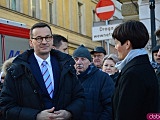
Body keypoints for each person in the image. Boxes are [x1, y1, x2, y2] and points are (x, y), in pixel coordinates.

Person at [0, 22, 84, 120]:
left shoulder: (66, 66)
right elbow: (6, 107)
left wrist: (69, 112)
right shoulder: (17, 69)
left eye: (47, 37)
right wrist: (36, 116)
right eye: (39, 38)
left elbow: (80, 97)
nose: (44, 42)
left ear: (52, 40)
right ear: (31, 42)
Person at [112, 20, 159, 120]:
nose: (115, 47)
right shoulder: (142, 66)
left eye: (116, 43)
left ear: (127, 44)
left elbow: (126, 114)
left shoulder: (132, 73)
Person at [73, 45, 114, 120]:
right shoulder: (69, 79)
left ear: (89, 62)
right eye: (76, 59)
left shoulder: (103, 78)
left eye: (83, 59)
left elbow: (110, 106)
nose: (79, 62)